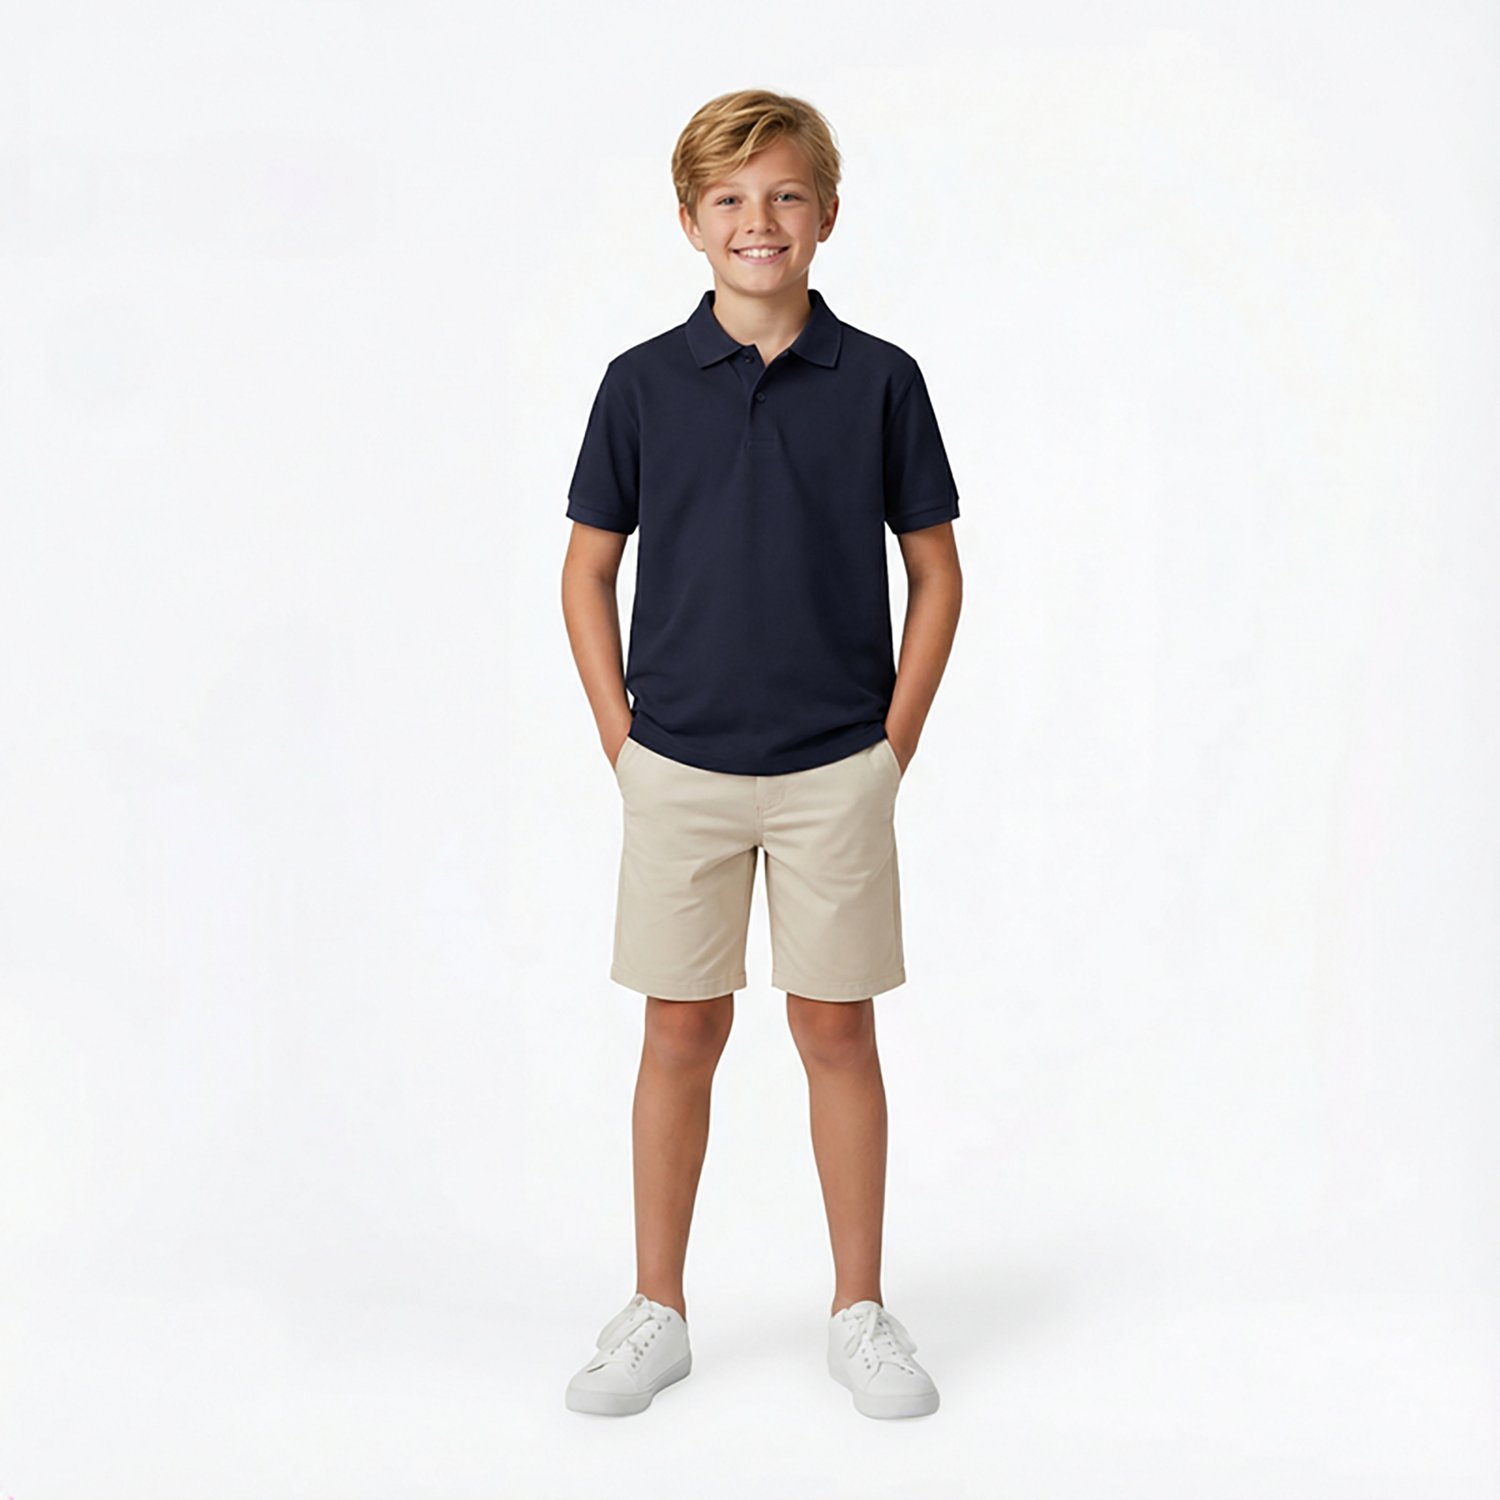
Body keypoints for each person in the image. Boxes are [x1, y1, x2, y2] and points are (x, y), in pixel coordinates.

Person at [559, 88, 963, 1420]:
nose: (759, 220)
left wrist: (891, 746)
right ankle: (656, 1311)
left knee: (836, 1027)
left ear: (827, 214)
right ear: (690, 221)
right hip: (676, 765)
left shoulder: (882, 381)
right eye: (729, 199)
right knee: (679, 1029)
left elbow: (935, 571)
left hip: (836, 767)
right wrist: (622, 739)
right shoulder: (639, 385)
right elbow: (587, 569)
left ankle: (861, 1310)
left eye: (786, 194)